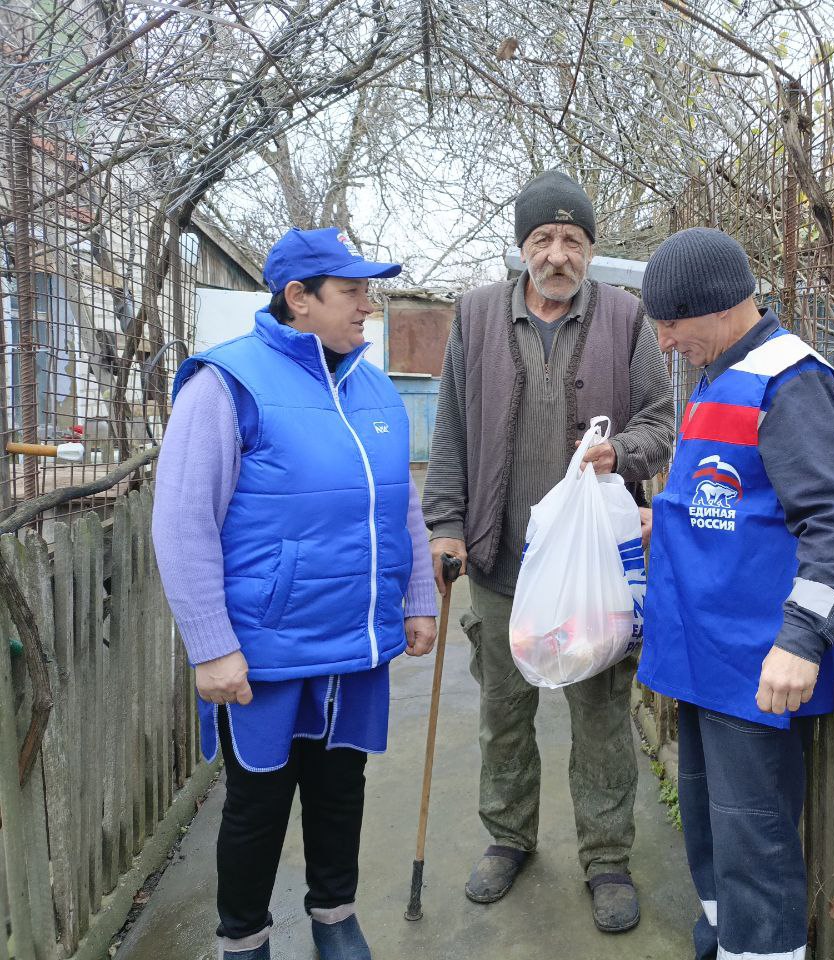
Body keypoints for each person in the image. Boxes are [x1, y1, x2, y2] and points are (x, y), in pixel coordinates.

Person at [153, 227, 439, 960]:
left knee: (342, 787)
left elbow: (400, 503)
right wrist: (211, 645)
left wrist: (415, 598)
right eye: (352, 292)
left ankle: (334, 917)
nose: (367, 308)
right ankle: (243, 939)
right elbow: (183, 521)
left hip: (354, 639)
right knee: (257, 804)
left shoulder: (373, 386)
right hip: (266, 646)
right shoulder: (226, 383)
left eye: (367, 292)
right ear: (299, 299)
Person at [423, 171, 673, 933]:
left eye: (572, 240)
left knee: (599, 714)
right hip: (502, 560)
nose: (557, 254)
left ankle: (606, 857)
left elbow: (663, 424)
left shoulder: (626, 318)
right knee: (505, 710)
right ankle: (509, 838)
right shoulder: (473, 316)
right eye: (543, 240)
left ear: (590, 249)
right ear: (523, 247)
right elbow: (450, 431)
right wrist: (444, 523)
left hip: (593, 568)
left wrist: (620, 453)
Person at [637, 227, 834, 960]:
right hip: (709, 660)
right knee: (713, 832)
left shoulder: (790, 381)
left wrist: (802, 638)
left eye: (670, 323)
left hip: (755, 668)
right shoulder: (721, 374)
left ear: (711, 308)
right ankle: (723, 943)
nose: (664, 341)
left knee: (756, 851)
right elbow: (735, 500)